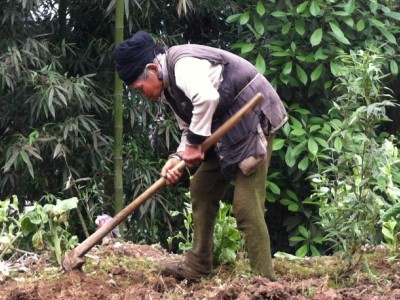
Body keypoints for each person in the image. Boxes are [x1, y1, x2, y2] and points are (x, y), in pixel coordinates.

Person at [112, 31, 287, 281]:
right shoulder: (169, 88)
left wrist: (194, 145)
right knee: (202, 188)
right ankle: (198, 265)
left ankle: (265, 282)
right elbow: (188, 129)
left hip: (252, 119)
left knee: (246, 206)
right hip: (221, 131)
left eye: (140, 88)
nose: (143, 94)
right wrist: (177, 157)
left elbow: (206, 97)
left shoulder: (183, 64)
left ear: (152, 69)